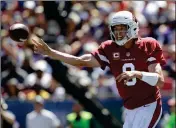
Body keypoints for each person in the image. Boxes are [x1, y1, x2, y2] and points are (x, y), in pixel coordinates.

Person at [31, 11, 166, 128]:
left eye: (122, 28)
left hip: (148, 105)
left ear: (133, 27)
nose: (118, 33)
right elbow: (80, 61)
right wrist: (52, 53)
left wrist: (137, 74)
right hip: (129, 108)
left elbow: (159, 81)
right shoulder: (110, 48)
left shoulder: (148, 45)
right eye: (116, 29)